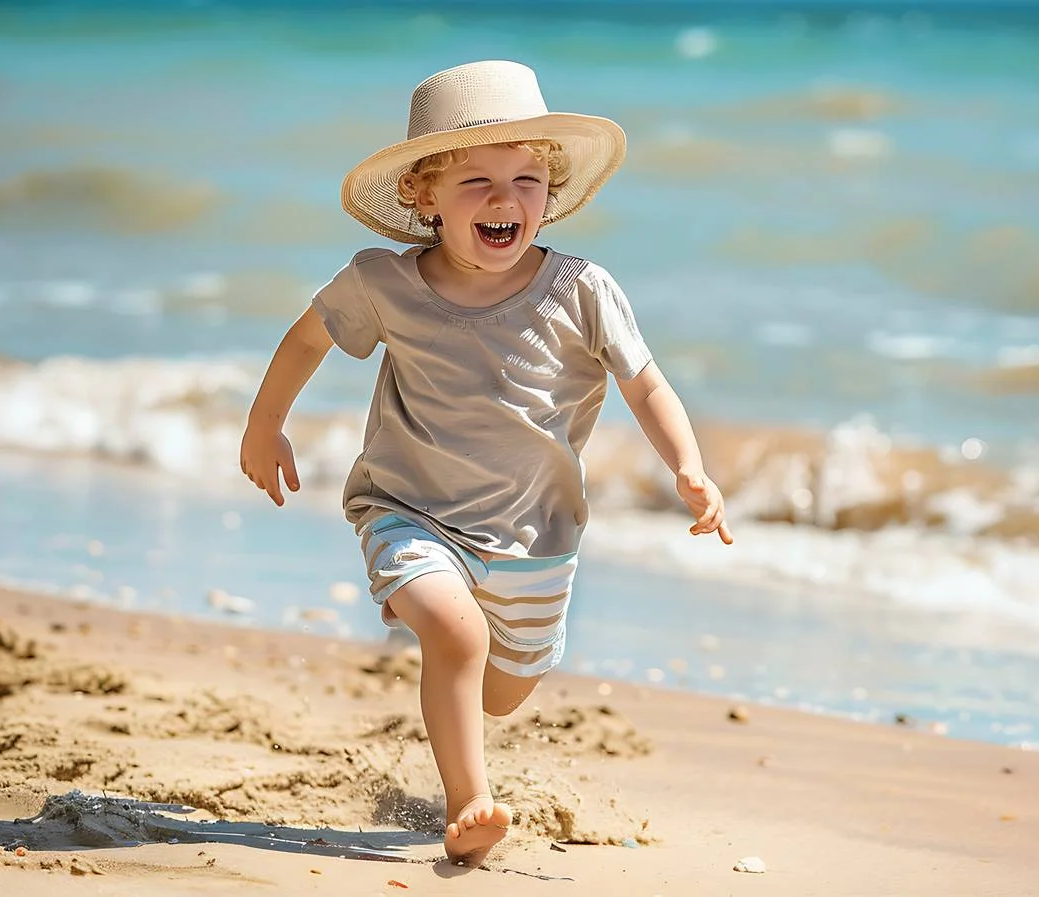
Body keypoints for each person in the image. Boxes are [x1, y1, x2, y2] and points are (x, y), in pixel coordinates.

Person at [238, 60, 733, 864]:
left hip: (534, 537)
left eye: (527, 178)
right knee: (459, 636)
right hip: (409, 507)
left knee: (505, 688)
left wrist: (689, 464)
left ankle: (453, 641)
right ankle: (469, 802)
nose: (506, 198)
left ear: (550, 190)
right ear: (422, 195)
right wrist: (266, 425)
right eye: (477, 180)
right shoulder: (381, 282)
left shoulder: (582, 290)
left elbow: (645, 383)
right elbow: (306, 339)